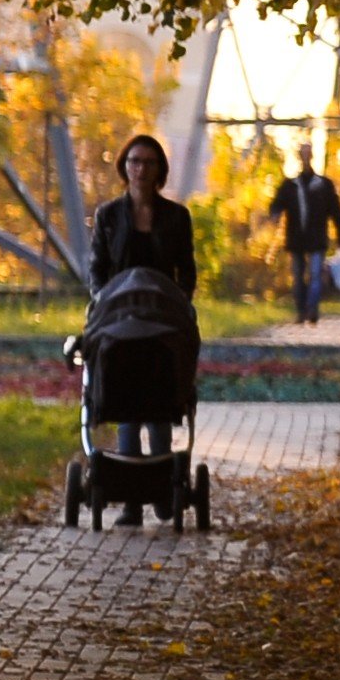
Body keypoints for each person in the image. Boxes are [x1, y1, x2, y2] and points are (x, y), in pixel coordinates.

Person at [89, 131, 197, 524]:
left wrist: (180, 302)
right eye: (134, 162)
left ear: (159, 171)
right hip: (119, 320)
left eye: (148, 163)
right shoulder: (108, 216)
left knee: (159, 412)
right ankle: (132, 502)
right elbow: (98, 269)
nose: (140, 169)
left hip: (161, 319)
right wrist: (101, 300)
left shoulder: (176, 217)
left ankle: (164, 490)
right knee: (128, 411)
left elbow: (186, 270)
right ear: (124, 167)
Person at [266, 142, 340, 325]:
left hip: (316, 240)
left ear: (312, 156)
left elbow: (336, 213)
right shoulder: (290, 185)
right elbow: (276, 204)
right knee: (297, 277)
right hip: (296, 239)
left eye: (308, 153)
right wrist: (274, 214)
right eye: (302, 154)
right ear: (299, 157)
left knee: (315, 275)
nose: (305, 157)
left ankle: (312, 309)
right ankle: (301, 310)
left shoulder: (323, 185)